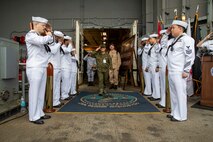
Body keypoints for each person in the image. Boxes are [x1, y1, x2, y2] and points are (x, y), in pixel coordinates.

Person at [25, 16, 53, 124]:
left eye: (45, 26)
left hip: (42, 67)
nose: (44, 28)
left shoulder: (40, 36)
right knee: (34, 92)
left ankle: (39, 113)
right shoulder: (30, 35)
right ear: (35, 25)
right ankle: (33, 116)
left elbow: (49, 43)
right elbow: (42, 41)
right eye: (43, 26)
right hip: (34, 68)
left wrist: (49, 33)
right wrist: (49, 35)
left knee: (41, 92)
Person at [167, 20, 194, 122]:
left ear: (180, 28)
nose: (171, 29)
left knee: (180, 94)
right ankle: (175, 112)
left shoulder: (187, 39)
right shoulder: (175, 40)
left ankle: (181, 116)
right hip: (172, 71)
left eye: (173, 28)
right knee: (173, 94)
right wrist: (167, 33)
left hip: (179, 71)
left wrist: (186, 70)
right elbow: (165, 44)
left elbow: (189, 56)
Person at [48, 31, 64, 108]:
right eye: (60, 38)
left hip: (58, 67)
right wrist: (59, 43)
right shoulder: (51, 43)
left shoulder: (57, 44)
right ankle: (52, 102)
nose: (62, 40)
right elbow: (53, 51)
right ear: (57, 37)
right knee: (53, 86)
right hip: (52, 68)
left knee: (57, 86)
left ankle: (56, 102)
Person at [146, 33, 161, 101]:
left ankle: (157, 95)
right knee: (153, 81)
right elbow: (150, 58)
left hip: (155, 65)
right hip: (152, 65)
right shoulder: (152, 46)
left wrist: (158, 66)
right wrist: (148, 66)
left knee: (156, 81)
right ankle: (154, 94)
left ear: (155, 39)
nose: (150, 40)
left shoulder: (157, 46)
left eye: (151, 39)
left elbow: (159, 56)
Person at [61, 35, 73, 100]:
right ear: (66, 41)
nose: (70, 42)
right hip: (64, 67)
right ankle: (64, 95)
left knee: (67, 81)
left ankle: (66, 94)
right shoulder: (62, 47)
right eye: (69, 41)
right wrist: (70, 44)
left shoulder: (66, 47)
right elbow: (68, 51)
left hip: (67, 67)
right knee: (65, 82)